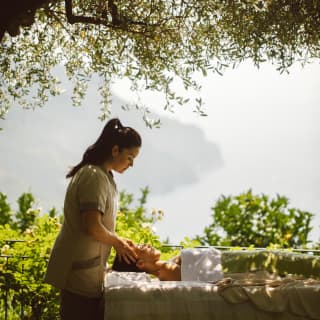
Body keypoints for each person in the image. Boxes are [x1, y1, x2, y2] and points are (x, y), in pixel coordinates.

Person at [45, 118, 141, 320]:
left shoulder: (105, 177)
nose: (132, 164)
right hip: (80, 273)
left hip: (90, 271)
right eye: (130, 157)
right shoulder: (93, 176)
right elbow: (92, 226)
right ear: (115, 150)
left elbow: (100, 226)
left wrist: (119, 240)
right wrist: (119, 243)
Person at [112, 244, 223, 282]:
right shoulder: (165, 271)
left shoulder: (167, 266)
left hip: (222, 262)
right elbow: (201, 277)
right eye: (141, 248)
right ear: (141, 264)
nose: (147, 244)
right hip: (227, 267)